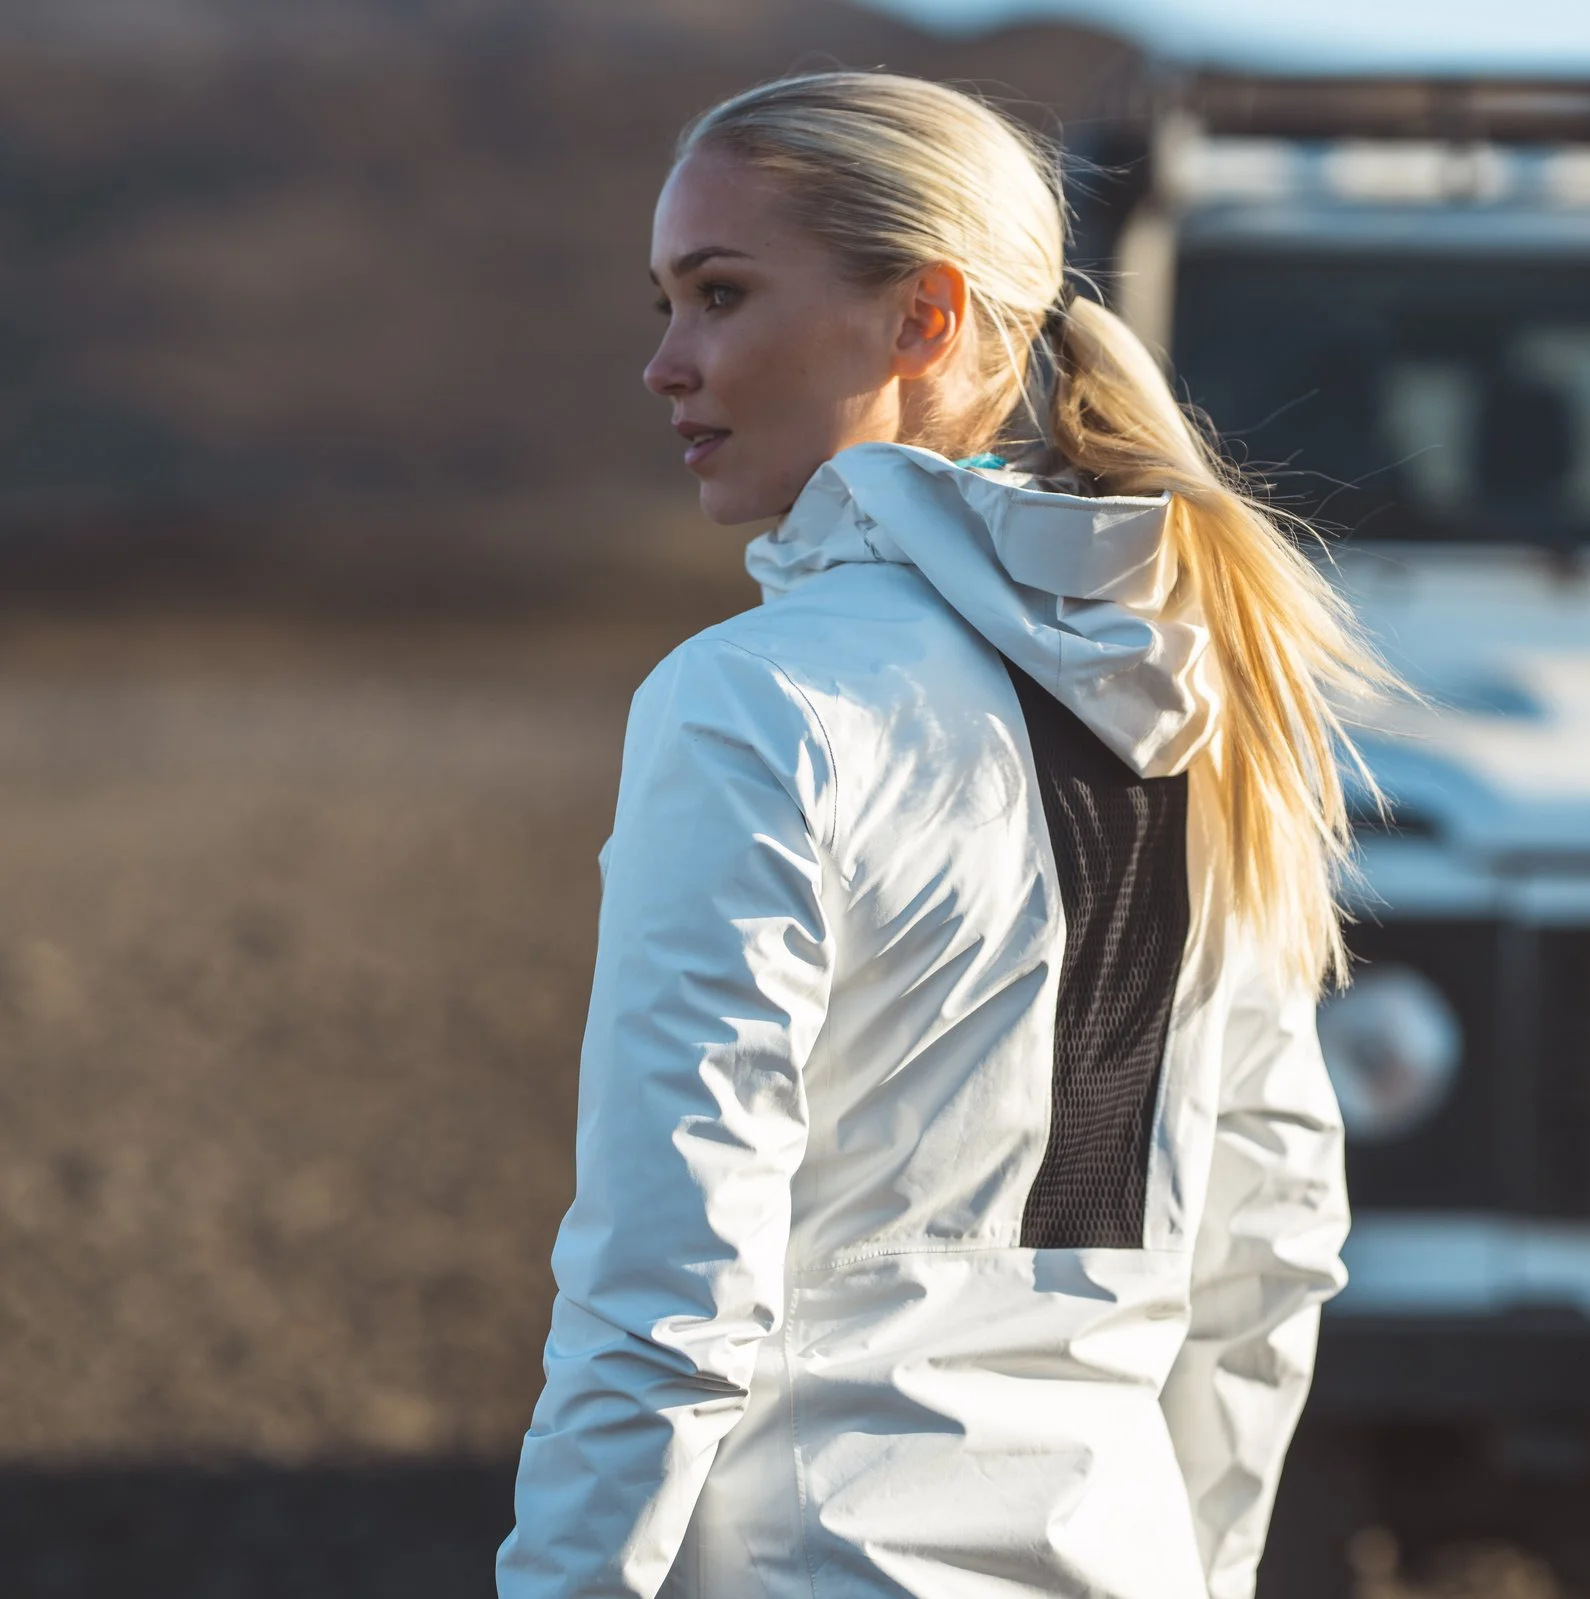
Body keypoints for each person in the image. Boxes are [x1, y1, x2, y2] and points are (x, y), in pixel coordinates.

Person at [495, 70, 1394, 1599]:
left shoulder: (753, 705)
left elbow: (668, 1282)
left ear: (923, 316)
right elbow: (1273, 1238)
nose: (665, 364)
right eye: (664, 302)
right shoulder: (1196, 693)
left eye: (718, 295)